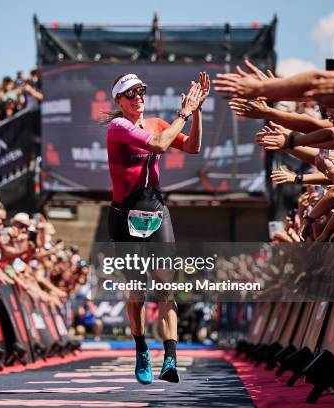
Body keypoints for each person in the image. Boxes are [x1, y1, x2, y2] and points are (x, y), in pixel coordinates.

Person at [104, 72, 209, 384]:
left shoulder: (158, 123)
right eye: (131, 93)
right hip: (125, 216)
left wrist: (197, 111)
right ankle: (140, 349)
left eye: (141, 91)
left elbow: (192, 147)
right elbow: (160, 146)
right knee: (137, 292)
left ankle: (170, 359)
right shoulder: (118, 126)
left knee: (166, 287)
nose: (138, 97)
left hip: (156, 211)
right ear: (119, 102)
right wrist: (183, 114)